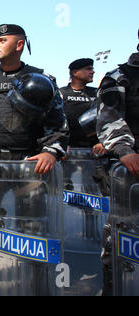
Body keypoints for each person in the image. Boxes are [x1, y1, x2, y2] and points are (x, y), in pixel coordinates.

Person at [0, 24, 69, 296]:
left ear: (19, 45)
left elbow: (59, 125)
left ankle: (34, 276)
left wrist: (50, 152)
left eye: (3, 40)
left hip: (29, 165)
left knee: (31, 225)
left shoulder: (43, 80)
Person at [96, 35, 139, 296]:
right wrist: (126, 151)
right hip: (131, 169)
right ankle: (113, 288)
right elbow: (109, 117)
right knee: (120, 234)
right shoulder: (120, 76)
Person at [60, 58, 105, 154]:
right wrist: (60, 145)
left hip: (94, 150)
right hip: (68, 150)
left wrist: (102, 142)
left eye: (92, 69)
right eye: (88, 69)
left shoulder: (97, 93)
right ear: (75, 72)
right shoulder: (61, 94)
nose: (92, 72)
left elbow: (106, 119)